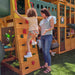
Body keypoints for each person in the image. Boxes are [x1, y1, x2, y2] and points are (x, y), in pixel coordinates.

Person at [39, 8, 56, 73]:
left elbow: (52, 27)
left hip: (48, 36)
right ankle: (46, 64)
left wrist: (46, 30)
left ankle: (49, 67)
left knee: (46, 51)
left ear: (45, 13)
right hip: (42, 37)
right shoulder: (42, 21)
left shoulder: (51, 18)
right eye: (41, 14)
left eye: (42, 14)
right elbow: (40, 29)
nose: (41, 15)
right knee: (43, 51)